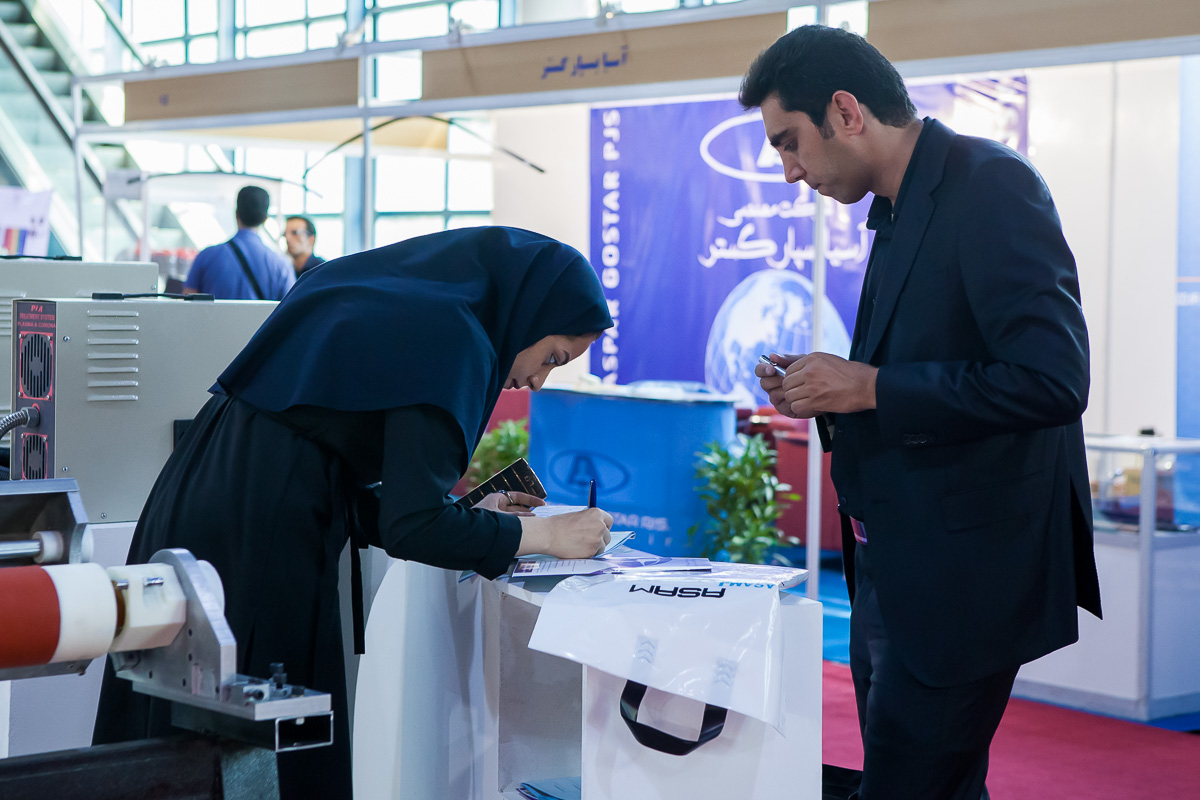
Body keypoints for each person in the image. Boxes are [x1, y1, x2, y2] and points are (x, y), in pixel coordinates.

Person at [94, 226, 615, 799]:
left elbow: (340, 466)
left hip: (204, 495)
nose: (538, 381)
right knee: (251, 743)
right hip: (259, 536)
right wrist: (546, 535)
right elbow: (412, 527)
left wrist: (478, 518)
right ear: (529, 311)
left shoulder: (406, 297)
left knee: (177, 729)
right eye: (552, 357)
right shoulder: (455, 337)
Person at [744, 26, 1101, 800]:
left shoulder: (990, 185)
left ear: (846, 112)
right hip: (896, 568)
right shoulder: (898, 204)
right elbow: (910, 369)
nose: (788, 170)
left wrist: (869, 387)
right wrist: (825, 389)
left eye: (788, 142)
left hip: (963, 580)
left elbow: (1052, 380)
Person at [184, 185, 295, 300]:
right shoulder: (281, 264)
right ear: (265, 218)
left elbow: (188, 299)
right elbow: (291, 305)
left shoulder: (206, 256)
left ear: (236, 214)